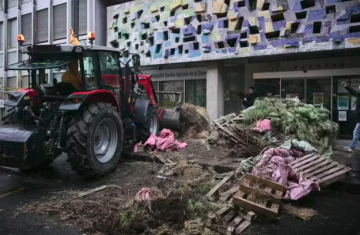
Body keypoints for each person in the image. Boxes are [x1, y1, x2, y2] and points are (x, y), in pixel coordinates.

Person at [342, 82, 360, 153]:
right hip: (359, 118)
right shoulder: (359, 95)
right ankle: (351, 147)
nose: (359, 87)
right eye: (359, 86)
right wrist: (347, 86)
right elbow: (353, 92)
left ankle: (351, 147)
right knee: (356, 132)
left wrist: (357, 112)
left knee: (356, 132)